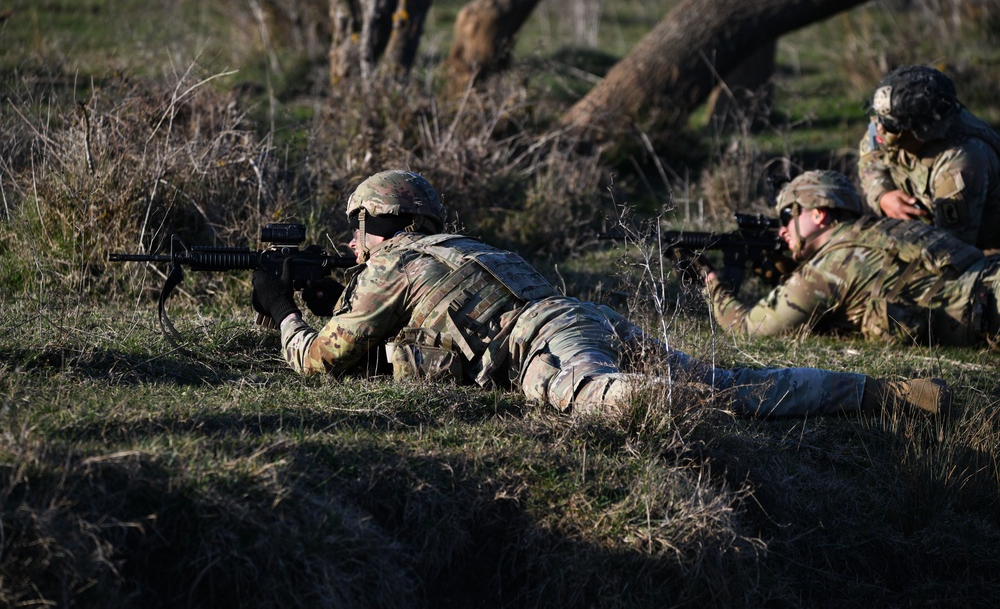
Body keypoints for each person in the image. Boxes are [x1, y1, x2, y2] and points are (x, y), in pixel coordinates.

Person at [251, 169, 952, 419]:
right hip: (583, 316)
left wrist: (282, 313)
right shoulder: (466, 248)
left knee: (593, 399)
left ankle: (664, 405)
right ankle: (878, 393)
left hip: (545, 346)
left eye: (355, 230)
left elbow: (321, 363)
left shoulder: (391, 264)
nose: (349, 246)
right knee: (733, 381)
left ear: (378, 222)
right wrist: (328, 304)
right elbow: (406, 347)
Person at [706, 169, 1000, 348]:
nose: (782, 229)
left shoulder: (830, 268)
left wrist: (711, 286)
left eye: (787, 215)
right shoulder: (882, 231)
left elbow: (748, 329)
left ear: (819, 213)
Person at [857, 65, 1000, 251]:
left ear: (921, 131)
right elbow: (869, 159)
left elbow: (952, 251)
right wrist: (882, 194)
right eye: (880, 119)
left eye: (890, 127)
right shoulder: (892, 120)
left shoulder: (961, 162)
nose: (880, 129)